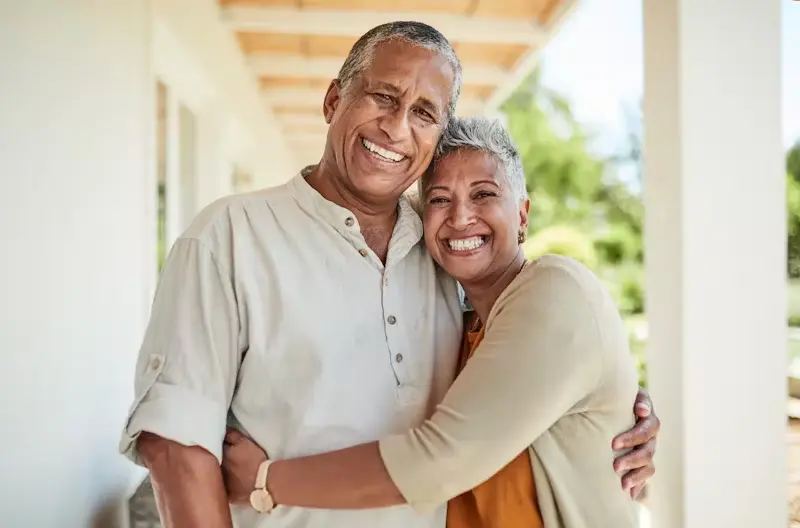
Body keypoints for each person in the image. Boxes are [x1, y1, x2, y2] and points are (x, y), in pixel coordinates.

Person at [118, 21, 659, 528]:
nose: (397, 127)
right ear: (334, 100)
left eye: (425, 113)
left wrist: (618, 407)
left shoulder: (444, 253)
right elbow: (176, 445)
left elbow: (531, 352)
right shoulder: (228, 236)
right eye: (383, 97)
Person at [220, 116, 647, 527]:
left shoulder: (557, 288)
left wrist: (264, 481)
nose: (460, 217)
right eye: (440, 199)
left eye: (483, 194)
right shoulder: (457, 327)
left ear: (521, 214)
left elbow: (439, 462)